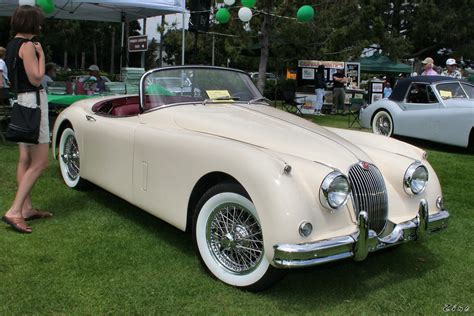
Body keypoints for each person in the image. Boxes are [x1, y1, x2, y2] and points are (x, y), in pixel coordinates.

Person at [2, 5, 52, 234]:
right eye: (38, 22)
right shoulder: (29, 46)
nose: (40, 25)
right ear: (32, 23)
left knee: (25, 159)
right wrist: (41, 55)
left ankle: (27, 208)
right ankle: (15, 210)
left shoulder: (12, 45)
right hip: (34, 103)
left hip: (21, 103)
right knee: (40, 162)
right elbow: (36, 78)